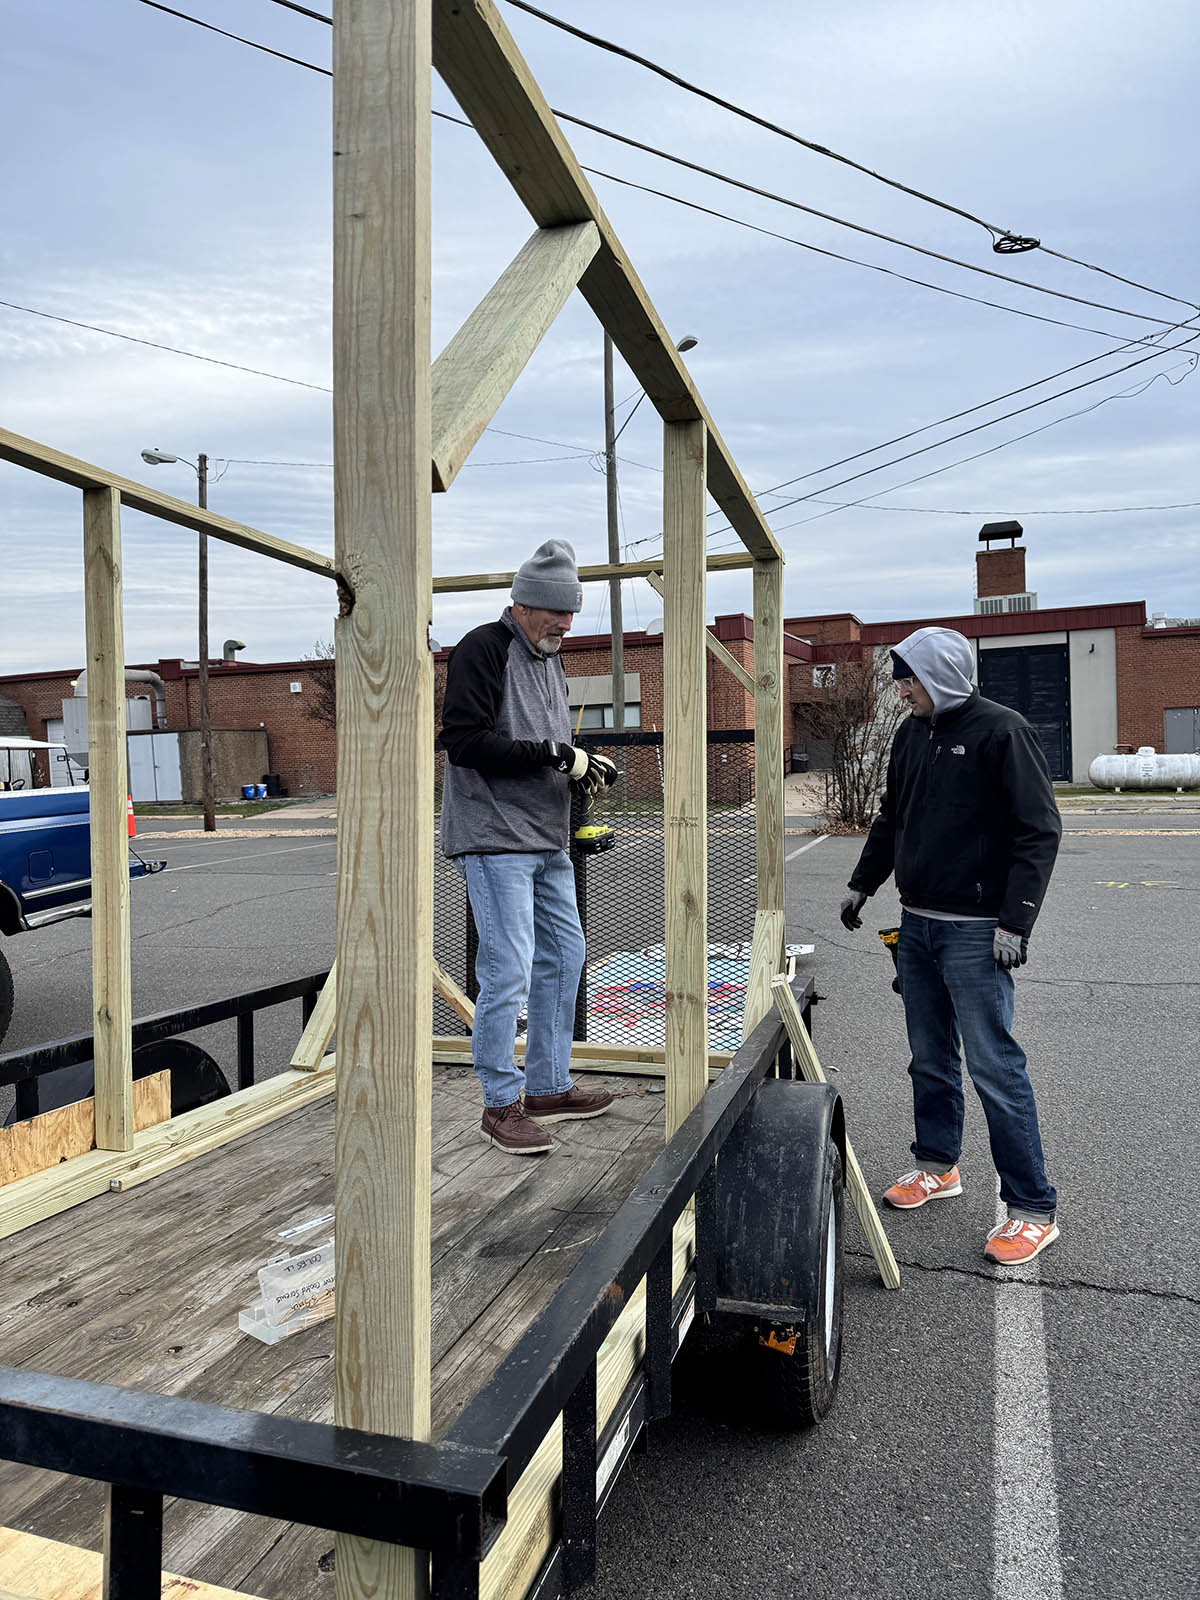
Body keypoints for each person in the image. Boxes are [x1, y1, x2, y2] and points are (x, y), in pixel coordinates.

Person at [839, 626, 1062, 1265]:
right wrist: (862, 885)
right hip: (917, 926)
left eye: (909, 677)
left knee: (994, 1065)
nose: (900, 689)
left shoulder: (1002, 733)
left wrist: (1015, 923)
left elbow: (1038, 831)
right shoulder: (912, 735)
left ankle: (1031, 1208)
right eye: (899, 677)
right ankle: (938, 1165)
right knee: (929, 1057)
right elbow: (893, 818)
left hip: (975, 932)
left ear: (940, 676)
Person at [440, 539, 619, 1156]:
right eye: (556, 613)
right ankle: (499, 1104)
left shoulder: (549, 659)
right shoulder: (481, 650)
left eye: (571, 613)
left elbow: (547, 743)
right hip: (494, 838)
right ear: (523, 604)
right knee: (507, 970)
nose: (566, 625)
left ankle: (547, 1086)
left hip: (545, 837)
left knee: (566, 957)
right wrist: (553, 756)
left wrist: (584, 762)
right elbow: (463, 742)